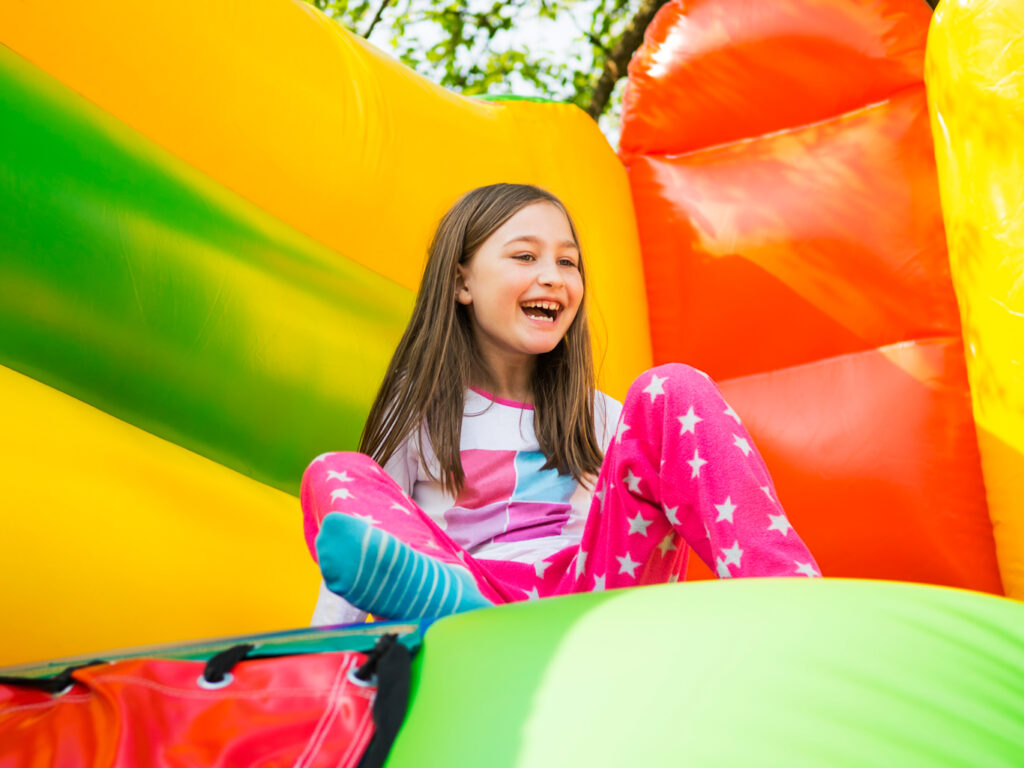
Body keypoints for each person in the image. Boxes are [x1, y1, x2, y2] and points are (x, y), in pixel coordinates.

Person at [302, 183, 820, 625]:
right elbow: (365, 531)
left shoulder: (606, 419)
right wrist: (328, 659)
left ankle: (792, 600)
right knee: (335, 471)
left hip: (593, 597)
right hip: (472, 598)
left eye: (567, 261)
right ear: (462, 282)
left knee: (672, 387)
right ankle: (454, 607)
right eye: (525, 256)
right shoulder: (422, 410)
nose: (552, 275)